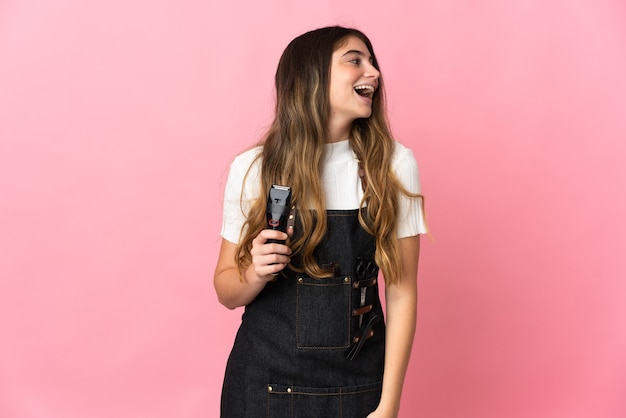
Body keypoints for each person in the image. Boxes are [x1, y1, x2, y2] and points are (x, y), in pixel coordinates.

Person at [214, 26, 427, 418]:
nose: (375, 73)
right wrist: (253, 273)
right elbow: (226, 291)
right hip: (263, 389)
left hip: (359, 390)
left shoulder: (393, 167)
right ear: (311, 76)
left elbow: (402, 293)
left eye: (372, 61)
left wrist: (389, 406)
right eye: (355, 60)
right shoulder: (252, 169)